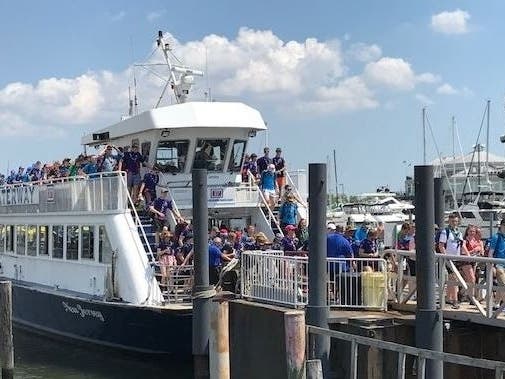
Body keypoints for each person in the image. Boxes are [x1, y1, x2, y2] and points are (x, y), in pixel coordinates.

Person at [437, 212, 463, 309]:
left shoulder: (459, 232)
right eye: (452, 221)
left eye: (456, 221)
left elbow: (461, 245)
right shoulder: (445, 231)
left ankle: (448, 297)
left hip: (457, 258)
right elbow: (441, 245)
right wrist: (446, 257)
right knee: (454, 279)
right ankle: (455, 300)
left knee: (453, 279)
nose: (454, 223)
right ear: (449, 221)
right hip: (449, 259)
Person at [461, 224, 483, 300]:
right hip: (466, 261)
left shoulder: (475, 240)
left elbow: (480, 249)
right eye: (470, 231)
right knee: (472, 278)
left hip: (474, 261)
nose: (472, 233)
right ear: (467, 231)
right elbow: (463, 249)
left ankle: (463, 293)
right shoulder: (465, 240)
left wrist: (478, 249)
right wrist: (472, 252)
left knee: (469, 279)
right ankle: (472, 297)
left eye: (473, 231)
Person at [488, 219, 505, 307]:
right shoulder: (496, 237)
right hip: (499, 264)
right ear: (501, 226)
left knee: (500, 284)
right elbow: (491, 252)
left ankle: (496, 303)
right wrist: (492, 265)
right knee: (503, 283)